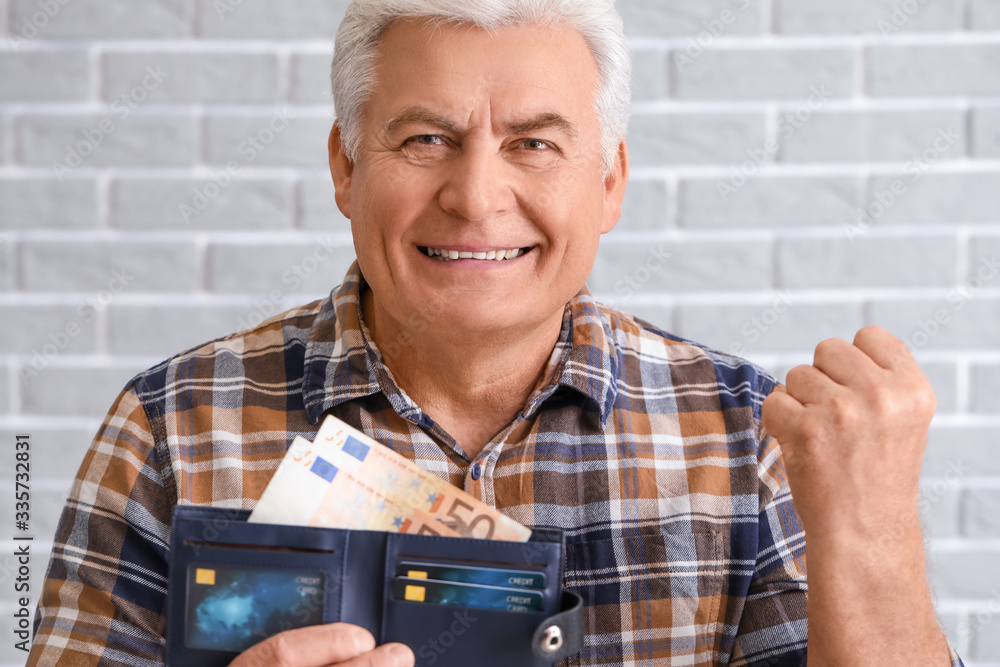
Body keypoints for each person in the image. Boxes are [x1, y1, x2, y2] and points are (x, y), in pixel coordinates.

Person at [29, 1, 963, 666]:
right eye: (425, 138)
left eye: (534, 143)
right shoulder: (170, 427)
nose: (476, 197)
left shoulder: (753, 439)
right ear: (345, 167)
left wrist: (875, 531)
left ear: (609, 183)